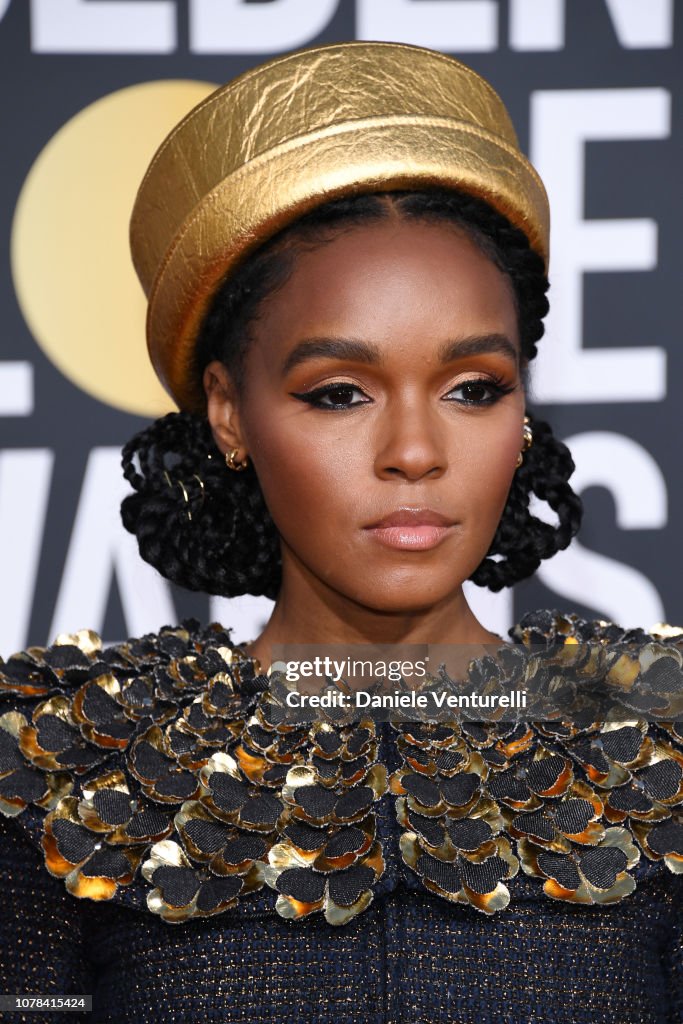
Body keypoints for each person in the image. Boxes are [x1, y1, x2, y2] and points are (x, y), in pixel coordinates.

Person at [1, 40, 681, 1024]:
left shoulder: (653, 740)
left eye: (470, 387)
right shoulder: (69, 761)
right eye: (338, 393)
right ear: (229, 412)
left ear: (520, 408)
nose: (413, 448)